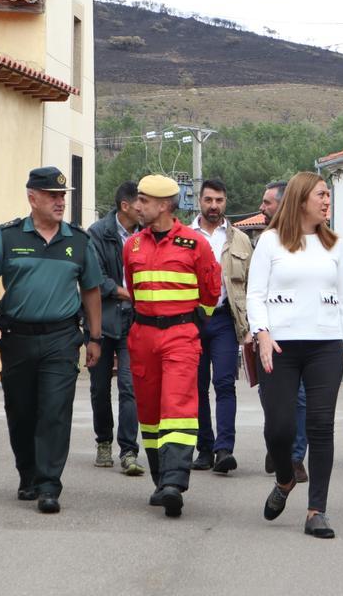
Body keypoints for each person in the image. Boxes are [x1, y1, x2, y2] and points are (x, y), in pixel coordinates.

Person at [0, 166, 103, 514]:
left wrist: (95, 337)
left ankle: (49, 485)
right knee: (21, 410)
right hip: (17, 338)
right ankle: (27, 474)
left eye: (63, 196)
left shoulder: (77, 240)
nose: (60, 202)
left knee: (55, 411)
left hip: (61, 338)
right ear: (33, 198)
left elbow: (91, 290)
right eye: (53, 196)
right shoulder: (8, 237)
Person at [247, 172, 343, 539]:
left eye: (329, 194)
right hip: (280, 345)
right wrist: (262, 333)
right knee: (278, 428)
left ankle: (316, 511)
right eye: (321, 194)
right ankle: (284, 479)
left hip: (324, 346)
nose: (327, 201)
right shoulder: (270, 242)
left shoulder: (335, 245)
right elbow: (255, 294)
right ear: (300, 200)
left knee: (320, 426)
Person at [122, 174, 221, 518]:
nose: (137, 206)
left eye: (144, 201)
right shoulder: (132, 245)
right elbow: (134, 294)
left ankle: (175, 482)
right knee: (149, 414)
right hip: (142, 336)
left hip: (181, 335)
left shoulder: (196, 245)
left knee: (177, 405)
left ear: (163, 205)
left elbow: (210, 293)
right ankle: (160, 480)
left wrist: (191, 324)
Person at [190, 179, 252, 475]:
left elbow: (251, 285)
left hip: (225, 319)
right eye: (209, 200)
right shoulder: (185, 236)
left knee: (225, 384)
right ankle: (204, 448)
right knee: (197, 386)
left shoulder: (240, 240)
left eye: (219, 200)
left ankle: (224, 449)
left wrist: (251, 325)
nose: (214, 206)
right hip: (192, 319)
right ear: (199, 201)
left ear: (226, 203)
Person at [87, 181, 145, 476]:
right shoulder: (98, 233)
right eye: (140, 204)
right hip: (102, 320)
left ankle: (129, 450)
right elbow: (96, 279)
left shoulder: (145, 235)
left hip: (134, 323)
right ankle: (103, 441)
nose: (143, 209)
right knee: (99, 388)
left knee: (130, 386)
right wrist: (128, 293)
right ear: (125, 206)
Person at [260, 181, 308, 483]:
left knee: (300, 397)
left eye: (268, 203)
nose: (262, 208)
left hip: (302, 333)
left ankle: (295, 457)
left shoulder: (310, 240)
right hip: (269, 333)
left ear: (284, 204)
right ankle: (277, 444)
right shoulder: (264, 241)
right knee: (272, 397)